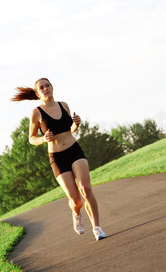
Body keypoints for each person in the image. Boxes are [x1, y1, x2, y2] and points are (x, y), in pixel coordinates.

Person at [11, 77, 107, 241]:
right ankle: (76, 213)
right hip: (57, 158)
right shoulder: (36, 113)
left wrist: (76, 124)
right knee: (76, 200)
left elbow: (70, 129)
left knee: (86, 189)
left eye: (48, 85)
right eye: (42, 87)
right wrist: (43, 139)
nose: (46, 88)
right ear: (37, 93)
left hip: (74, 151)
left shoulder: (64, 105)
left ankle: (97, 228)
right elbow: (31, 138)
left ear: (52, 87)